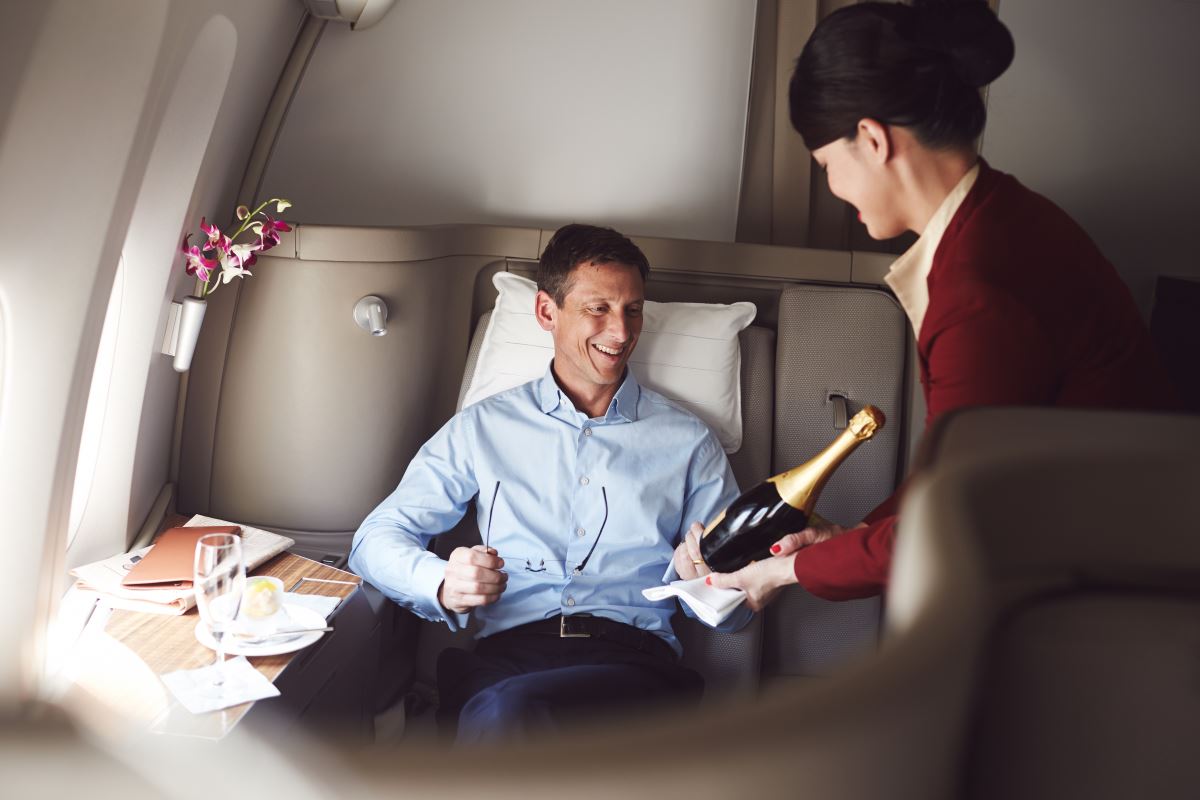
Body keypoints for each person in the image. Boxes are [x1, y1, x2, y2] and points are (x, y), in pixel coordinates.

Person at [703, 0, 1179, 609]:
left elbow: (956, 519)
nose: (833, 187)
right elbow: (957, 478)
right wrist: (852, 538)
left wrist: (784, 573)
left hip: (1113, 582)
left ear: (871, 141)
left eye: (826, 164)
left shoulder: (975, 292)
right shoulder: (1007, 214)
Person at [349, 223, 750, 744]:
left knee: (507, 718)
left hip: (632, 670)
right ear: (546, 312)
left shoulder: (690, 442)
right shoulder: (482, 428)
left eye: (632, 310)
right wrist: (442, 581)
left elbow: (738, 612)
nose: (621, 333)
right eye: (598, 309)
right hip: (505, 663)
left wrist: (708, 582)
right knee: (504, 711)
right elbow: (372, 541)